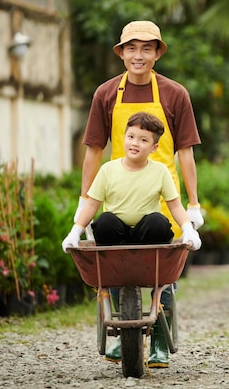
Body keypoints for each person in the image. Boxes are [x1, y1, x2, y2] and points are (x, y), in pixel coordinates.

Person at [73, 20, 205, 368]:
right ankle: (120, 335)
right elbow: (94, 150)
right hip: (119, 196)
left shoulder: (175, 94)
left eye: (147, 48)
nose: (138, 55)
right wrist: (85, 198)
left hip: (164, 198)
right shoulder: (105, 94)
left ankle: (161, 341)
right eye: (131, 48)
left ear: (158, 53)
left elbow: (186, 153)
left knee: (164, 272)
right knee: (116, 265)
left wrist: (193, 204)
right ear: (121, 53)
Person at [62, 112, 201, 367]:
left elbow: (174, 205)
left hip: (148, 240)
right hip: (117, 241)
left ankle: (159, 341)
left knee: (159, 221)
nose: (135, 143)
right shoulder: (108, 170)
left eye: (143, 139)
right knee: (104, 221)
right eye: (131, 136)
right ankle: (117, 340)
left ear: (155, 147)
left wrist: (187, 228)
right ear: (123, 139)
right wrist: (75, 230)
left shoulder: (160, 172)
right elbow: (93, 204)